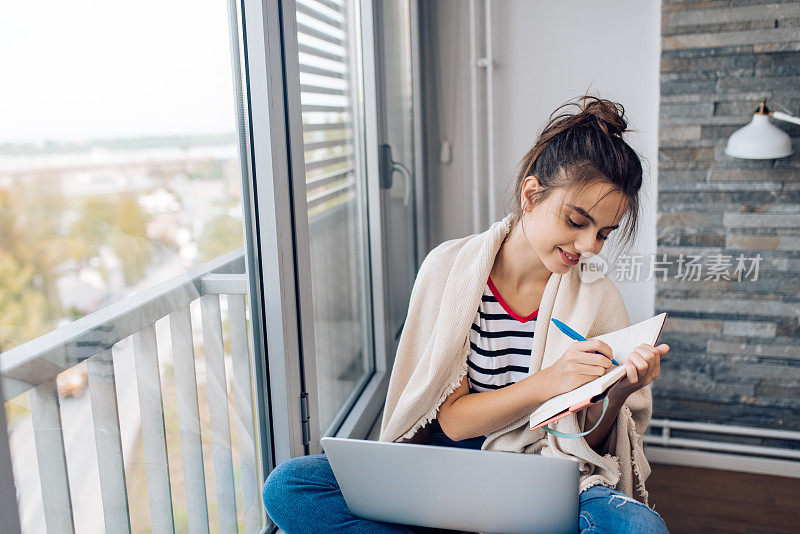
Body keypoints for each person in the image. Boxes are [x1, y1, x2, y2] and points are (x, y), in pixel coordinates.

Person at [263, 94, 670, 533]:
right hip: (450, 461)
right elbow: (454, 423)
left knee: (638, 528)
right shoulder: (451, 270)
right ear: (531, 195)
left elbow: (581, 445)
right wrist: (547, 382)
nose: (589, 246)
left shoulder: (597, 295)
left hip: (541, 467)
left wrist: (620, 393)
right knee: (291, 486)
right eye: (576, 222)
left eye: (604, 233)